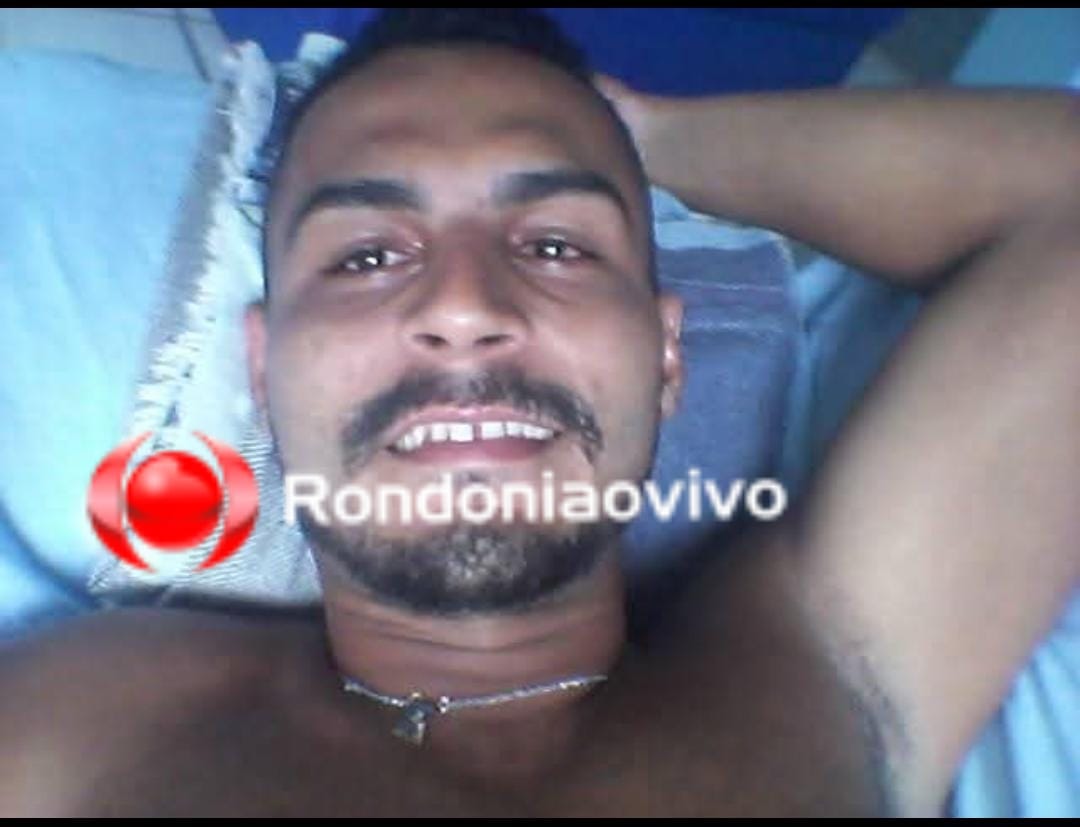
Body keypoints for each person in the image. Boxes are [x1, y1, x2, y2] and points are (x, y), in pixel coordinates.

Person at [2, 8, 1078, 816]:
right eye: (366, 256)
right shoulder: (84, 720)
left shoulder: (829, 672)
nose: (465, 308)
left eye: (557, 244)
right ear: (263, 368)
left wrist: (644, 139)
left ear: (665, 353)